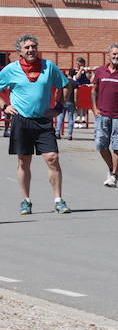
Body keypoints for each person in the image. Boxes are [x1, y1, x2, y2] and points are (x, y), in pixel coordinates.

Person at [0, 34, 72, 214]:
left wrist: (59, 107)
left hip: (43, 121)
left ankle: (58, 200)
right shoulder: (11, 70)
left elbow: (66, 84)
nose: (31, 50)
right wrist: (4, 106)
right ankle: (25, 200)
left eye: (33, 46)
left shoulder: (49, 67)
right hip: (21, 120)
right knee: (24, 161)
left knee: (52, 158)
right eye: (27, 47)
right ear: (20, 52)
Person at [90, 43, 118, 187]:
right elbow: (94, 91)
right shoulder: (100, 71)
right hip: (102, 115)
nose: (117, 57)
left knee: (117, 146)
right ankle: (112, 170)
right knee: (101, 144)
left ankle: (113, 175)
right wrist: (94, 109)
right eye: (114, 54)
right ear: (109, 54)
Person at [56, 57, 87, 139]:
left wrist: (57, 100)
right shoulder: (74, 83)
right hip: (71, 102)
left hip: (63, 101)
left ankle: (57, 132)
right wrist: (76, 104)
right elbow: (76, 94)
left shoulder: (64, 81)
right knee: (70, 118)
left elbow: (58, 91)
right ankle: (69, 134)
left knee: (60, 118)